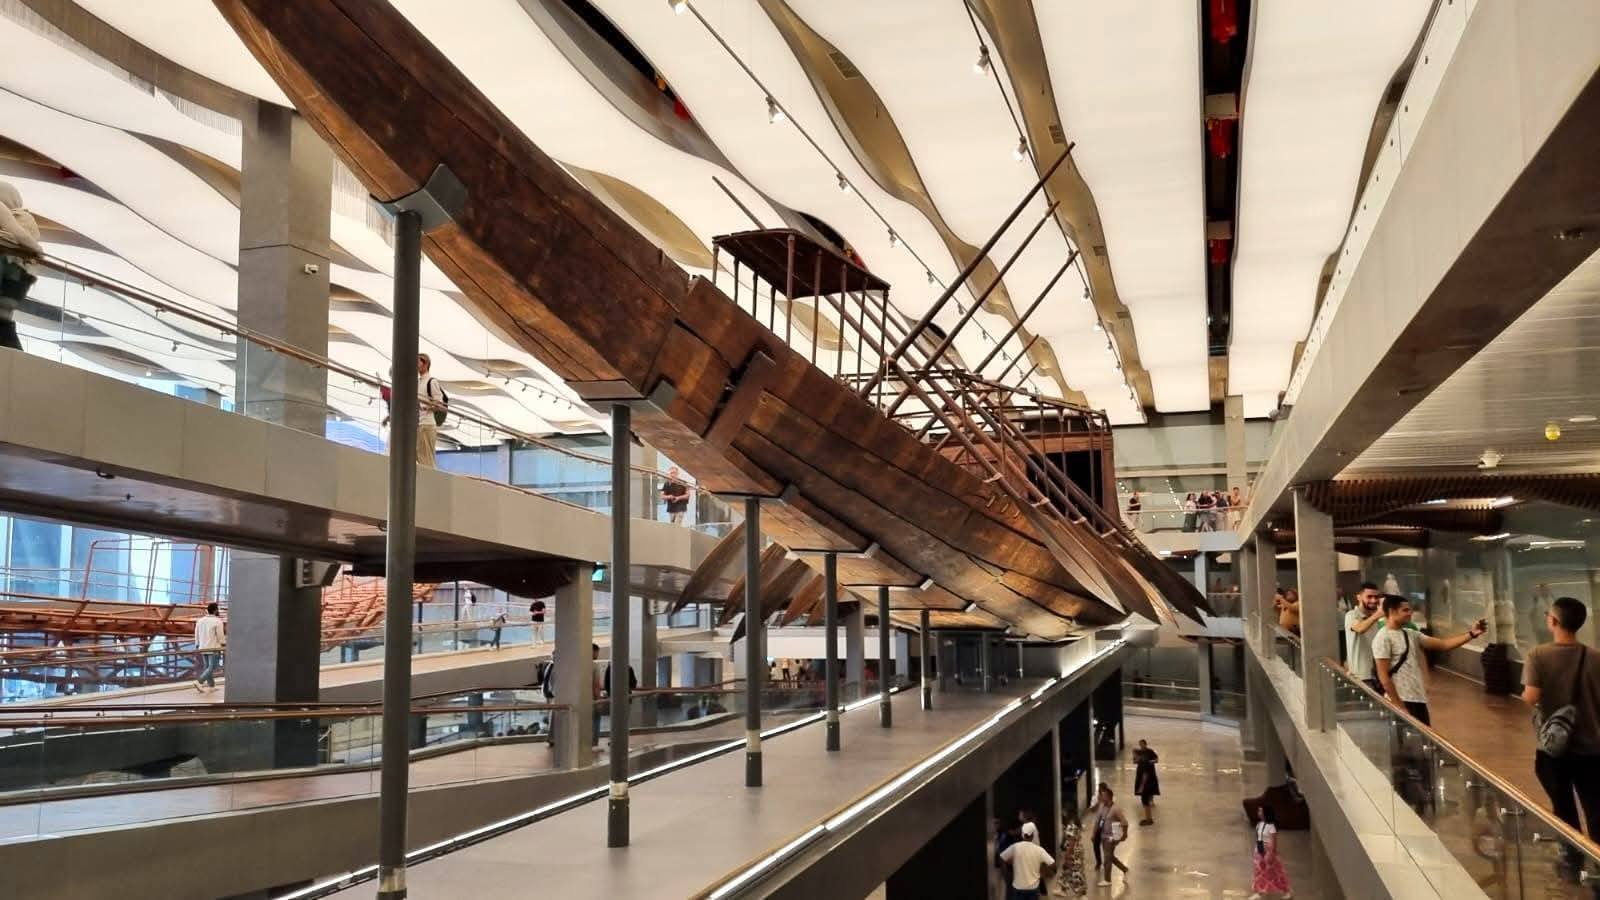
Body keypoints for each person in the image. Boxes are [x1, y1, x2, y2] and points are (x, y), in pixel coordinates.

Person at [1520, 596, 1600, 848]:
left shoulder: (1538, 655)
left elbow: (1531, 697)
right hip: (1591, 746)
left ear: (1553, 621)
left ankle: (1572, 856)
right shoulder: (1595, 657)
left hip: (1554, 748)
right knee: (1595, 809)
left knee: (1563, 809)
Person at [1372, 594, 1486, 725]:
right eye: (1405, 610)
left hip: (1417, 698)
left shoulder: (1410, 634)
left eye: (1410, 610)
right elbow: (1383, 676)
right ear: (1392, 611)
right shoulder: (1383, 638)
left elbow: (1443, 644)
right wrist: (1398, 705)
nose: (1410, 613)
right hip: (1402, 699)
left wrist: (1471, 634)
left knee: (1423, 736)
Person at [0, 180, 42, 352]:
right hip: (17, 278)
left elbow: (19, 235)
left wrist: (36, 249)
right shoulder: (25, 219)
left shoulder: (12, 214)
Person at [998, 820, 1054, 900]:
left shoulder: (1016, 839)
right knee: (1011, 892)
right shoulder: (1006, 839)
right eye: (1020, 829)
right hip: (1011, 872)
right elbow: (1003, 857)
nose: (1021, 831)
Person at [1345, 582, 1386, 692]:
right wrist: (1377, 614)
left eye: (1376, 597)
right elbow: (1359, 628)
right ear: (1359, 597)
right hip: (1361, 676)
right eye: (1369, 597)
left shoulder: (1376, 618)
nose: (1373, 600)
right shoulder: (1351, 615)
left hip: (1378, 675)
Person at [1249, 804, 1292, 899]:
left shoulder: (1271, 827)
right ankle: (1258, 892)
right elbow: (1258, 838)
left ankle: (1286, 891)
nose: (1258, 813)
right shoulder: (1259, 824)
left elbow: (1273, 841)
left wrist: (1270, 853)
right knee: (1259, 872)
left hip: (1268, 851)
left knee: (1276, 872)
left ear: (1265, 813)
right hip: (1259, 850)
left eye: (1260, 811)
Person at [1092, 784, 1129, 887]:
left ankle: (1107, 879)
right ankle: (1124, 869)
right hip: (1103, 836)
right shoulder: (1102, 807)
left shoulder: (1116, 809)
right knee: (1110, 856)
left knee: (1107, 858)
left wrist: (1124, 835)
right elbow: (1098, 821)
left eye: (1103, 796)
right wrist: (1094, 833)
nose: (1101, 797)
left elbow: (1125, 822)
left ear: (1109, 797)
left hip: (1111, 837)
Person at [416, 353, 445, 468]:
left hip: (427, 424)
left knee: (426, 459)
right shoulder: (419, 382)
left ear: (425, 363)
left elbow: (439, 403)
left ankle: (431, 478)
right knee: (420, 456)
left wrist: (426, 407)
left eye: (418, 362)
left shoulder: (431, 381)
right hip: (419, 423)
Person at [193, 602, 225, 693]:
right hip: (213, 647)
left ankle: (211, 686)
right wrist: (223, 644)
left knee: (207, 667)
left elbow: (196, 634)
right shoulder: (217, 621)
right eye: (217, 609)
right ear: (215, 610)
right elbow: (220, 636)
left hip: (203, 647)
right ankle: (199, 682)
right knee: (213, 666)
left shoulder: (200, 620)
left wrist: (197, 644)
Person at [1054, 815, 1087, 897]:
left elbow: (1071, 842)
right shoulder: (1076, 825)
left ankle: (1081, 894)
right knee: (1066, 869)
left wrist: (1067, 854)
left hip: (1073, 853)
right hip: (1078, 851)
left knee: (1076, 872)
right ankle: (1063, 889)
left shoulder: (1071, 827)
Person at [1133, 739, 1160, 825]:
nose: (1141, 746)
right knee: (1145, 802)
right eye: (1140, 744)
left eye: (1142, 744)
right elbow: (1135, 761)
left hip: (1146, 783)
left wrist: (1141, 787)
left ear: (1145, 744)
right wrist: (1135, 755)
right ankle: (1148, 818)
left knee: (1145, 802)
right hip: (1144, 781)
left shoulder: (1149, 753)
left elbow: (1156, 760)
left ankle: (1149, 819)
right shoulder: (1139, 754)